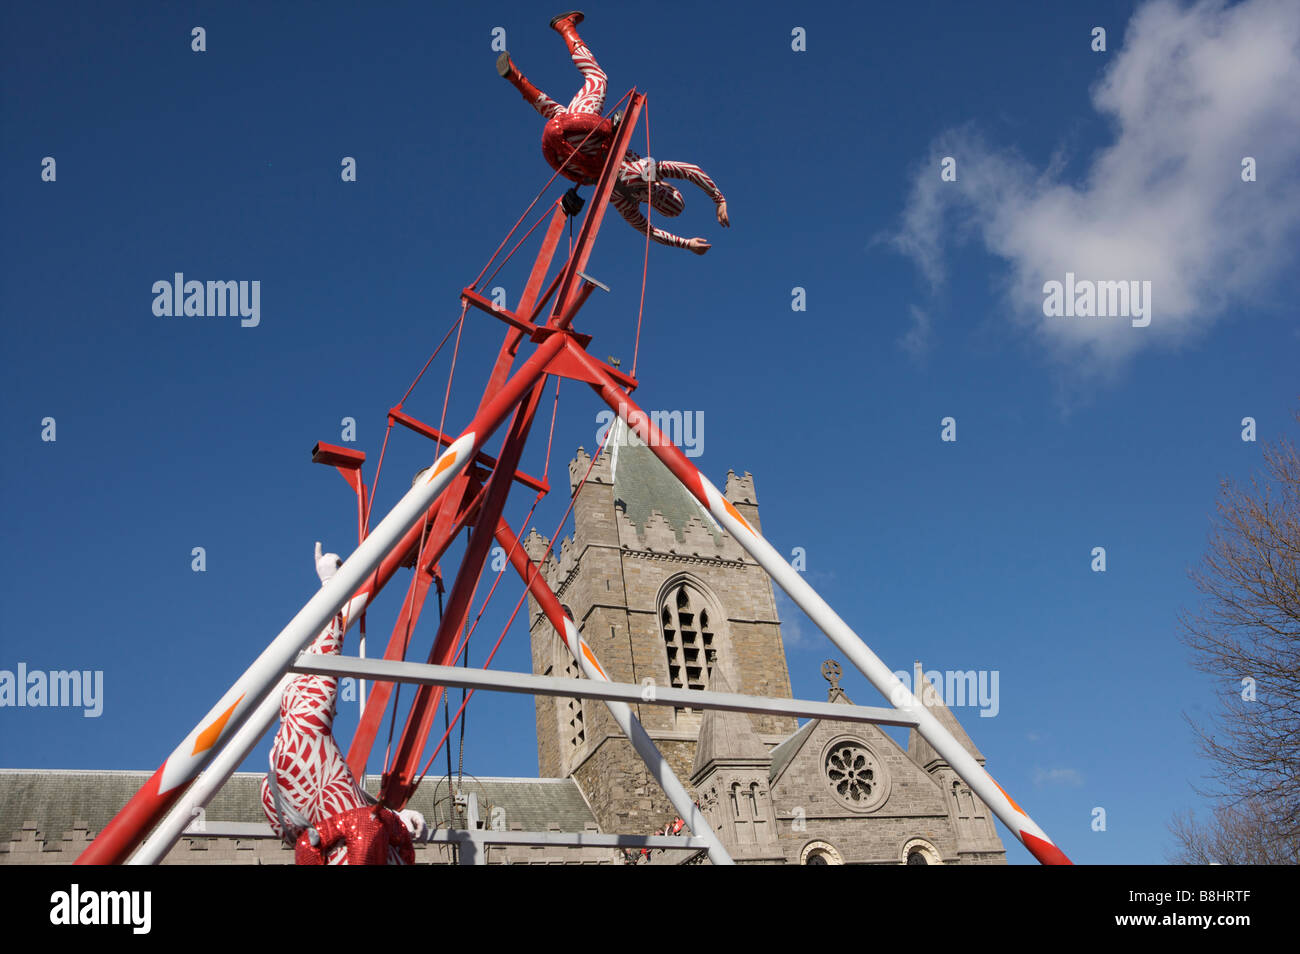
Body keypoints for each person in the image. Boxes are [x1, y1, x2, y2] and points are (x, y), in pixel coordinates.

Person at [497, 11, 729, 255]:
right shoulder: (627, 206)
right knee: (558, 114)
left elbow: (691, 171)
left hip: (587, 133)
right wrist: (686, 244)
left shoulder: (648, 171)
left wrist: (718, 199)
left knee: (598, 78)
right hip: (567, 154)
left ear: (665, 186)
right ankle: (514, 77)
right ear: (654, 207)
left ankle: (565, 28)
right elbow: (650, 232)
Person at [260, 542, 427, 864]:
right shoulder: (305, 741)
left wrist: (396, 820)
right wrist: (331, 585)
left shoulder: (286, 789)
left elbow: (348, 812)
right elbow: (323, 666)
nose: (333, 709)